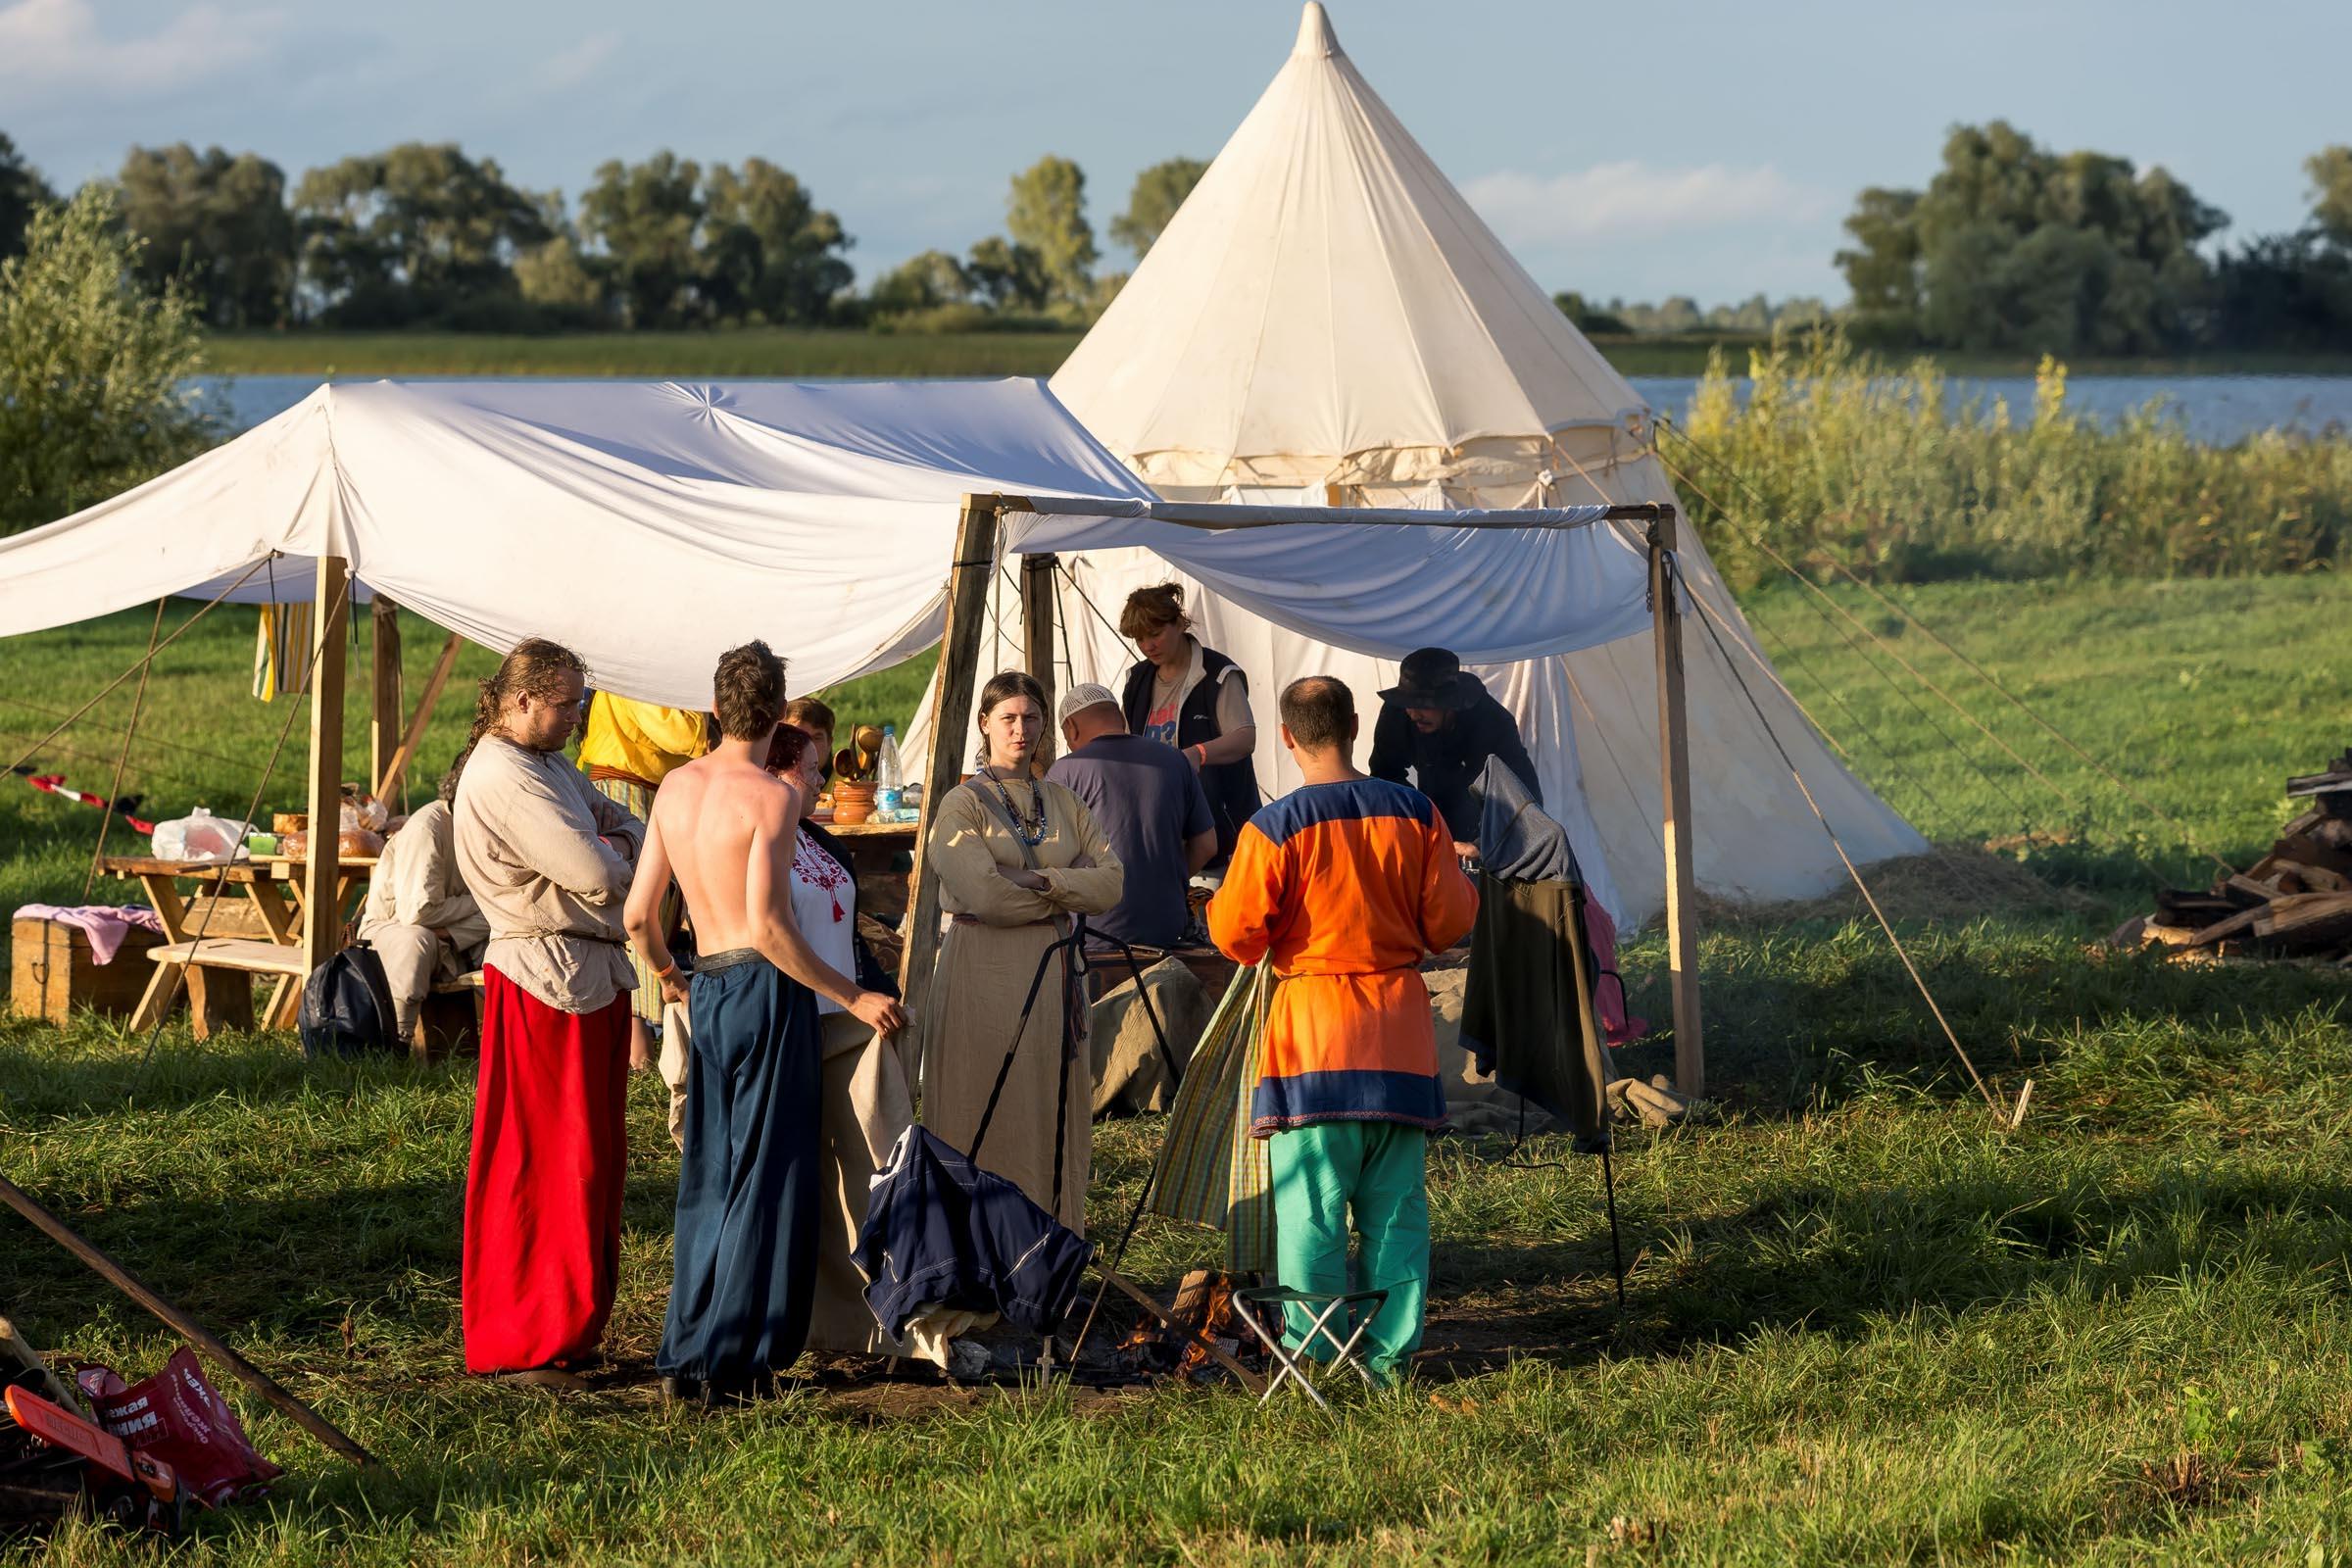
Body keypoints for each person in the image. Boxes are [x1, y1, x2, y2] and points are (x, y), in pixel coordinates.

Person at [623, 642, 904, 1402]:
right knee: (767, 1175)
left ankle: (686, 1352)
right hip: (766, 989)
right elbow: (772, 929)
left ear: (716, 708)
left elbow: (638, 915)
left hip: (707, 984)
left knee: (710, 1171)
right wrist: (854, 996)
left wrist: (669, 977)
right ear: (777, 712)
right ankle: (736, 1361)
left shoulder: (675, 789)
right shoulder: (772, 799)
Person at [1208, 675, 1478, 1386]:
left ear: (1287, 736)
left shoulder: (1274, 828)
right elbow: (1452, 921)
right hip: (1399, 1034)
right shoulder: (1416, 814)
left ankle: (1317, 1360)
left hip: (1313, 1039)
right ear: (1356, 724)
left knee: (1312, 1214)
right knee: (1397, 1215)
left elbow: (1235, 933)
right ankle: (1389, 1362)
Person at [451, 638, 645, 1387]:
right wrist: (615, 852)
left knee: (586, 1160)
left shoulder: (549, 764)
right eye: (564, 704)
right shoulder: (501, 773)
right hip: (542, 979)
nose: (575, 717)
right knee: (540, 1162)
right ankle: (523, 1333)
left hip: (585, 972)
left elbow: (622, 829)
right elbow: (598, 866)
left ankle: (566, 1326)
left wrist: (612, 844)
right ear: (521, 699)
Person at [922, 670, 1123, 1232]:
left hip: (1056, 973)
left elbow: (1112, 881)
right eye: (1008, 717)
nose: (1020, 729)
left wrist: (1033, 880)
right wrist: (1064, 885)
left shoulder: (1060, 799)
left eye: (1031, 717)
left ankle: (1048, 1247)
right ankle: (978, 1251)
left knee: (1050, 1110)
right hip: (983, 973)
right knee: (981, 1105)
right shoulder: (961, 805)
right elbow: (987, 899)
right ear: (984, 723)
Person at [772, 699, 917, 1355]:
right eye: (809, 769)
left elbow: (846, 933)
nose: (821, 783)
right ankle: (811, 1324)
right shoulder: (764, 838)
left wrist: (875, 994)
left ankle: (872, 1323)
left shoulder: (820, 838)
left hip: (846, 1027)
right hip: (791, 1024)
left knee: (866, 1171)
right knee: (805, 1186)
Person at [577, 692, 711, 1070]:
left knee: (655, 911)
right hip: (624, 789)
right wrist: (704, 708)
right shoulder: (632, 676)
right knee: (637, 910)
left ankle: (642, 1051)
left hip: (645, 789)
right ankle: (636, 1056)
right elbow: (679, 734)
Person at [1045, 682, 1215, 951]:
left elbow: (1050, 857)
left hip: (1094, 936)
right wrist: (1161, 878)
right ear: (1121, 719)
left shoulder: (1065, 771)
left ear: (1071, 729)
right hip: (1167, 930)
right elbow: (1207, 845)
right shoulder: (1176, 760)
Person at [1118, 583, 1260, 863]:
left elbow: (1245, 738)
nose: (1148, 646)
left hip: (1224, 838)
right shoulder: (1136, 680)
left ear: (1180, 623)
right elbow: (1124, 744)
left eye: (1155, 634)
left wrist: (1198, 754)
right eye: (1139, 639)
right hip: (1160, 834)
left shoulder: (1219, 673)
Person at [357, 753, 488, 1046]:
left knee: (513, 921)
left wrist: (460, 926)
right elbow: (417, 912)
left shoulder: (488, 829)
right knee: (417, 940)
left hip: (459, 930)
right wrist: (482, 904)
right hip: (391, 927)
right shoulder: (427, 828)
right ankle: (395, 1043)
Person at [1368, 646, 1541, 858]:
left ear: (1450, 703)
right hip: (1428, 824)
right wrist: (1416, 816)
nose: (1412, 713)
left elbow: (1526, 798)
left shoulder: (1494, 724)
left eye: (1423, 705)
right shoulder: (1399, 712)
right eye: (1408, 704)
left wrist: (1481, 845)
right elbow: (1384, 772)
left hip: (1483, 827)